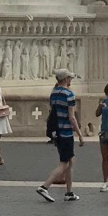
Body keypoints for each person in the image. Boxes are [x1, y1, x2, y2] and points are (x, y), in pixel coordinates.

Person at [37, 70, 83, 202]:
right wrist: (80, 134)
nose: (71, 80)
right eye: (70, 78)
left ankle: (69, 192)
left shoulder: (54, 93)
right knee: (64, 163)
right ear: (66, 79)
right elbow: (72, 117)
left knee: (69, 161)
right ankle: (45, 186)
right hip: (66, 132)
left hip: (56, 132)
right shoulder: (69, 94)